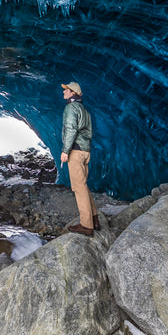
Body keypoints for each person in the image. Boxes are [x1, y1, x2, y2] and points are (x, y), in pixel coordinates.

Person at [60, 81, 99, 236]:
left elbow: (71, 130)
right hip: (85, 151)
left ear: (73, 93)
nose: (64, 92)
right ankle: (94, 218)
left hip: (75, 152)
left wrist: (65, 151)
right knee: (83, 185)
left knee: (78, 187)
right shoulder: (84, 109)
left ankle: (86, 225)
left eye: (66, 90)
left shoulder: (71, 108)